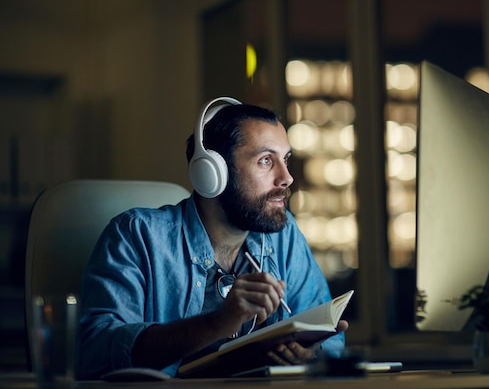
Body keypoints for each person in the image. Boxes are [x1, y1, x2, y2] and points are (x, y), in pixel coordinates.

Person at [77, 97, 349, 379]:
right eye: (266, 160)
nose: (287, 177)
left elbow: (329, 339)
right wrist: (219, 322)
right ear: (213, 172)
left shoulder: (284, 236)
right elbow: (96, 353)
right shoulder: (136, 235)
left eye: (286, 159)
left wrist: (311, 355)